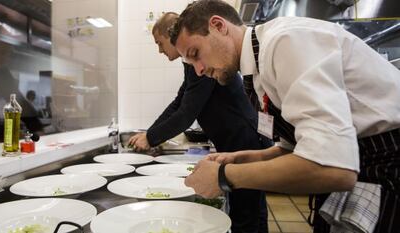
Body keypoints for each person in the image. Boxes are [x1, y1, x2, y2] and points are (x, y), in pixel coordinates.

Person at [169, 1, 400, 233]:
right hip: (360, 165)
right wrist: (242, 158)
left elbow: (333, 167)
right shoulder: (257, 68)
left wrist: (224, 176)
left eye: (195, 54)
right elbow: (295, 148)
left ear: (219, 26)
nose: (198, 70)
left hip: (387, 171)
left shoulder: (286, 41)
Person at [128, 12, 272, 233]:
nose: (159, 50)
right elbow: (179, 102)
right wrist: (150, 133)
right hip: (236, 138)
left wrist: (150, 137)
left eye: (160, 43)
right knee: (247, 208)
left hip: (243, 138)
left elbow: (187, 113)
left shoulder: (202, 61)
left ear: (172, 35)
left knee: (247, 213)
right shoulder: (192, 66)